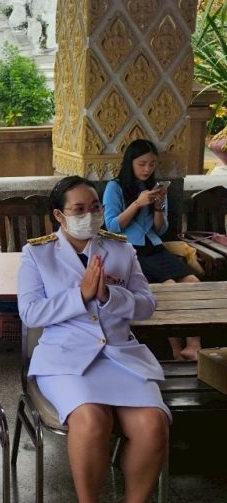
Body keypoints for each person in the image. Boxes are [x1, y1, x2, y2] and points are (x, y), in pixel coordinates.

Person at [18, 176, 170, 503]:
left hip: (120, 355)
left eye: (95, 208)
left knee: (153, 425)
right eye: (79, 210)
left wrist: (108, 295)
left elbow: (147, 305)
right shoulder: (38, 253)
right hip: (66, 360)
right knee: (90, 421)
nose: (89, 215)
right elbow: (30, 313)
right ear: (59, 215)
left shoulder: (120, 248)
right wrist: (80, 295)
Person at [103, 139, 201, 361]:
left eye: (152, 164)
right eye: (142, 164)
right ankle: (175, 351)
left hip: (154, 247)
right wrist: (138, 203)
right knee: (169, 286)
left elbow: (160, 229)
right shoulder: (115, 188)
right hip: (130, 250)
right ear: (130, 163)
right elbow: (112, 226)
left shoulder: (155, 187)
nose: (147, 169)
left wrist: (158, 206)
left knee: (192, 282)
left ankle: (193, 345)